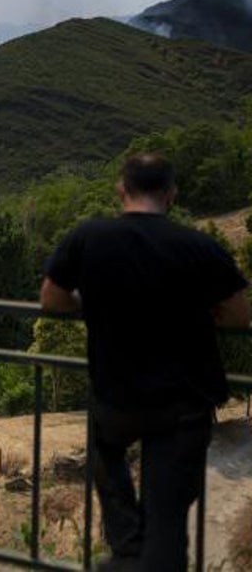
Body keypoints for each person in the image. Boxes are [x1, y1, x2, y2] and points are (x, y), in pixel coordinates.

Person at [41, 154, 250, 571]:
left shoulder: (89, 237)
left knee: (105, 451)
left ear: (121, 190)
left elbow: (52, 299)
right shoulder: (200, 246)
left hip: (115, 397)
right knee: (167, 519)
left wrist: (87, 299)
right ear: (171, 194)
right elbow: (239, 315)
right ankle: (146, 556)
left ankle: (126, 548)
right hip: (182, 405)